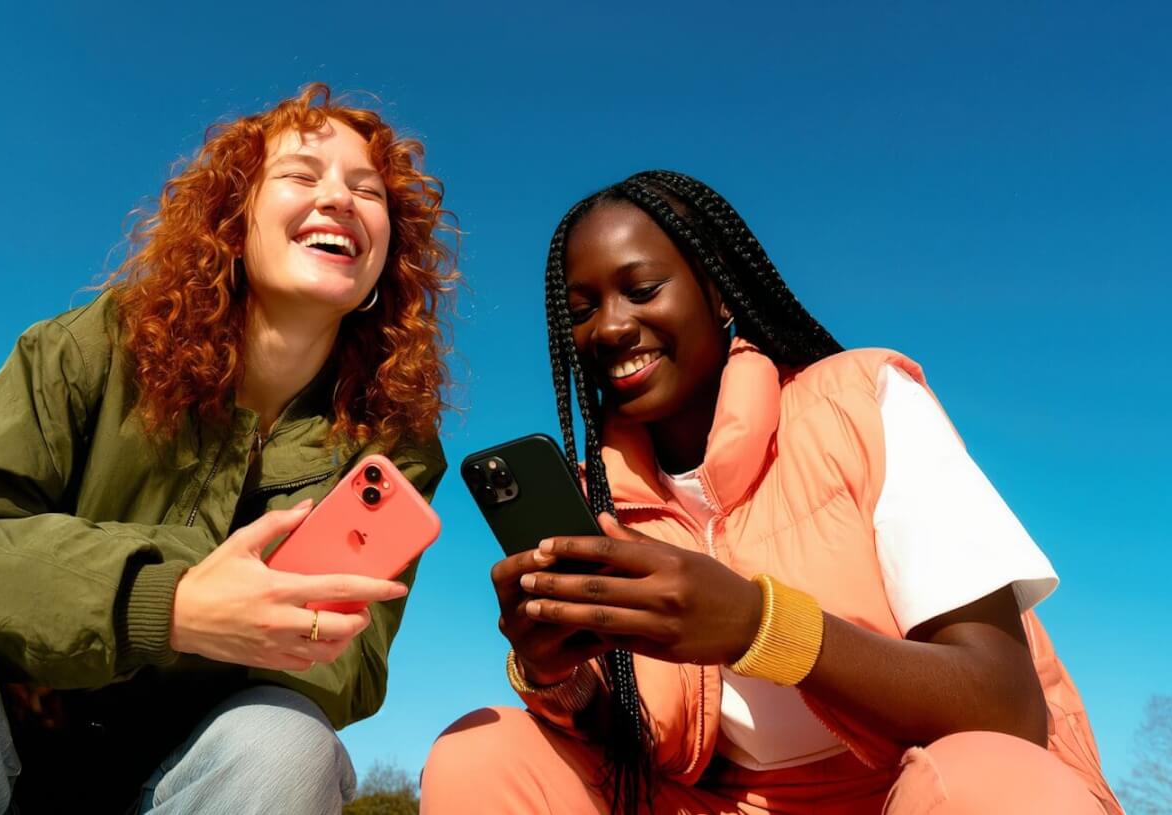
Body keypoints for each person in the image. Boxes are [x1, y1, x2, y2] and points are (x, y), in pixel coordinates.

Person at [0, 83, 456, 815]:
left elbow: (349, 670)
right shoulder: (90, 349)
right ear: (234, 216)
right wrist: (169, 603)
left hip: (179, 776)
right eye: (301, 175)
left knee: (287, 743)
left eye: (368, 190)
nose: (341, 200)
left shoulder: (393, 442)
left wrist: (269, 624)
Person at [422, 170, 1119, 814]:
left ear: (719, 291)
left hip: (913, 791)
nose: (609, 326)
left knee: (986, 774)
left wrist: (760, 625)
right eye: (581, 309)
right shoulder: (594, 496)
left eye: (641, 290)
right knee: (482, 754)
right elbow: (630, 744)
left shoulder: (863, 401)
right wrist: (558, 676)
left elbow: (1006, 708)